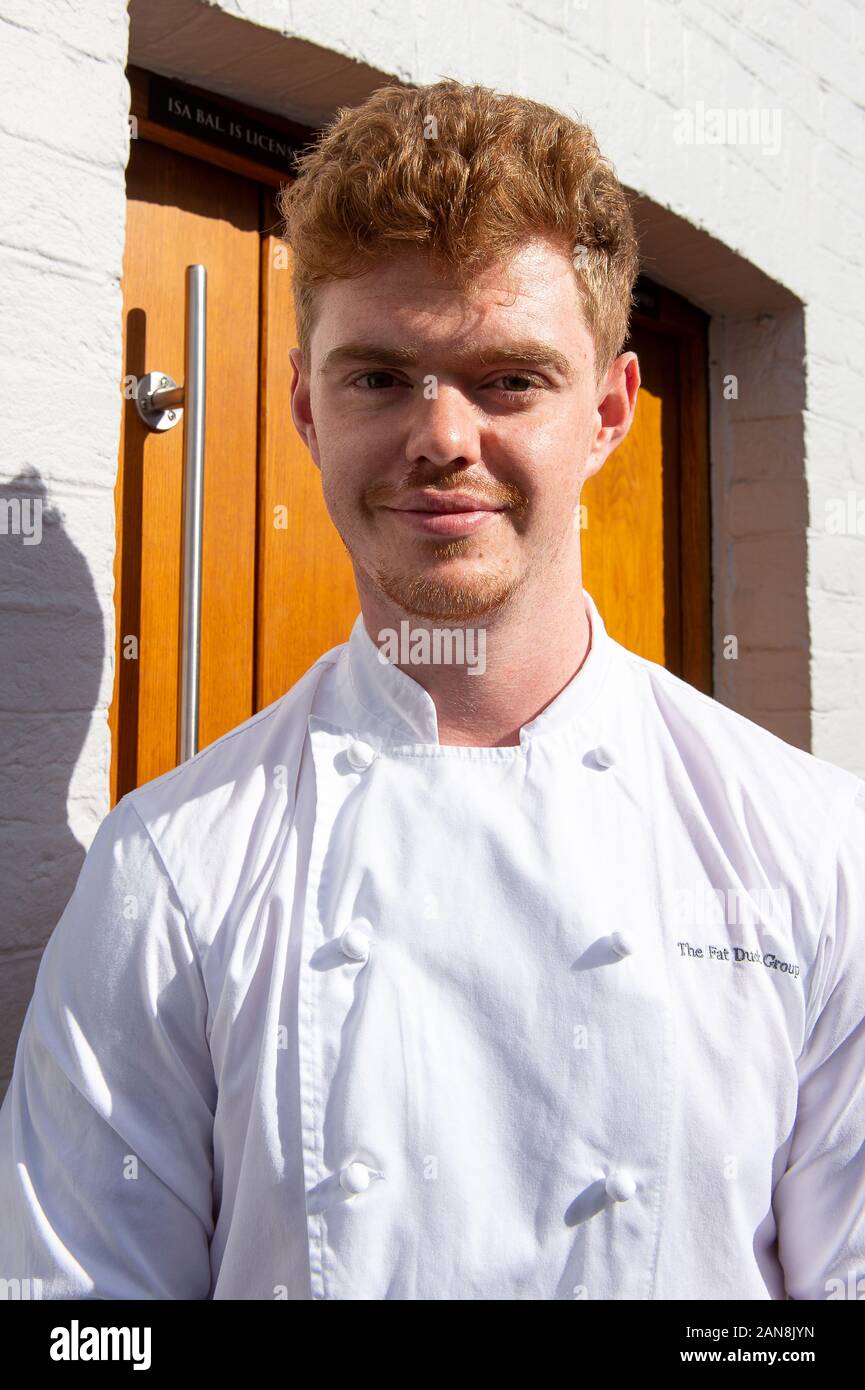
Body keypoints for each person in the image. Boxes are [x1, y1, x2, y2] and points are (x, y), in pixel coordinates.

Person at [1, 78, 863, 1302]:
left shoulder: (813, 852)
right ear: (306, 406)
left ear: (608, 413)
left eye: (509, 379)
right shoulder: (170, 877)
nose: (441, 437)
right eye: (379, 378)